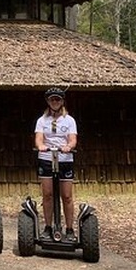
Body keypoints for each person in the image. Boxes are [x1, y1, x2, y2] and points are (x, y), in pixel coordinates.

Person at [34, 87, 78, 241]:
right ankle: (48, 227)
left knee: (66, 196)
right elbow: (39, 138)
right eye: (52, 99)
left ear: (62, 101)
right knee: (48, 195)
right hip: (46, 158)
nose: (55, 102)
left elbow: (73, 140)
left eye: (57, 99)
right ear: (48, 101)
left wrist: (69, 147)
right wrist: (40, 145)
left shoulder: (69, 120)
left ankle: (70, 229)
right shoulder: (42, 120)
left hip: (65, 159)